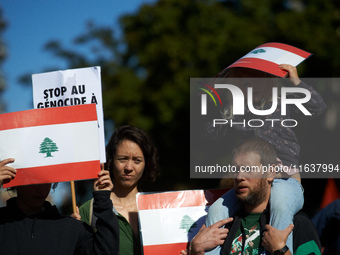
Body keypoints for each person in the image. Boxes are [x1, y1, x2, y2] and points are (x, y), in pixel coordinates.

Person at [205, 63, 326, 253]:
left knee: (279, 201)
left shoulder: (282, 104)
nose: (251, 86)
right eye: (244, 84)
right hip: (255, 182)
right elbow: (212, 133)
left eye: (256, 81)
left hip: (285, 181)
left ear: (269, 82)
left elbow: (317, 108)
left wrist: (295, 82)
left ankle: (275, 250)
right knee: (216, 210)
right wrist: (215, 98)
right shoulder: (238, 113)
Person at [185, 138, 321, 255]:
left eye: (248, 169)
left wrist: (280, 250)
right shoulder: (223, 227)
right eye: (235, 169)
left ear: (270, 172)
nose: (239, 177)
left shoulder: (296, 224)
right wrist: (196, 251)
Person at [0, 158, 119, 255]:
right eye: (34, 180)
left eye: (46, 181)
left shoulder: (70, 229)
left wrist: (102, 199)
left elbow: (105, 251)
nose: (40, 189)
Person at [78, 125, 161, 255]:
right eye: (122, 159)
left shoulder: (160, 208)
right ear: (111, 161)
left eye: (137, 160)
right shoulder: (88, 211)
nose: (129, 167)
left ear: (147, 164)